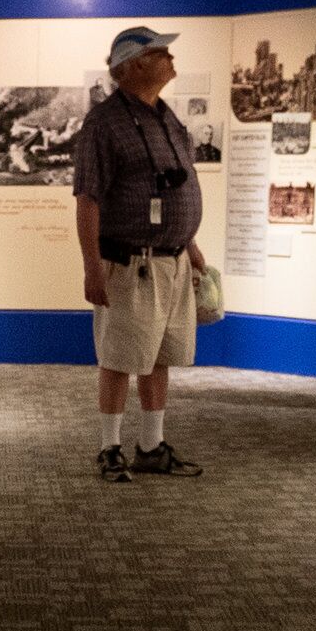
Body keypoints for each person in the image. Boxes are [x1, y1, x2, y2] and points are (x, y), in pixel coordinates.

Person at [75, 24, 217, 480]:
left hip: (171, 260)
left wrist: (190, 245)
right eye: (162, 53)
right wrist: (92, 268)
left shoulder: (165, 116)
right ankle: (109, 448)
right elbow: (88, 199)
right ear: (134, 65)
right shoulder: (104, 124)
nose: (171, 60)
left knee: (159, 355)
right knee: (120, 357)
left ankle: (152, 445)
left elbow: (173, 185)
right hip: (129, 262)